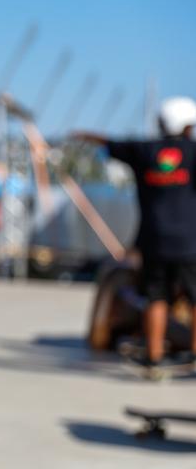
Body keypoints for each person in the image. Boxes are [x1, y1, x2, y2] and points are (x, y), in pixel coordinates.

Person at [75, 96, 196, 378]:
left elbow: (108, 143)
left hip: (152, 241)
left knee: (156, 297)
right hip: (191, 241)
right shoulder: (193, 152)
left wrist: (82, 134)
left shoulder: (144, 150)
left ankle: (154, 359)